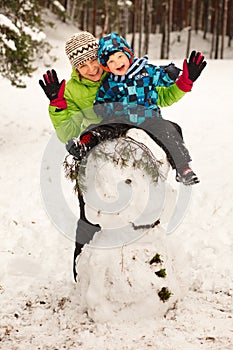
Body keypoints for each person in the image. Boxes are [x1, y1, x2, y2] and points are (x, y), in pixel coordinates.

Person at [92, 32, 206, 186]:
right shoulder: (110, 84)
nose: (117, 63)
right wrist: (106, 110)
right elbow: (100, 103)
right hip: (122, 121)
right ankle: (87, 142)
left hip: (149, 118)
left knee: (171, 129)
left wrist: (172, 73)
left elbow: (163, 77)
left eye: (119, 57)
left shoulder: (145, 70)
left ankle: (182, 167)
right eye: (111, 61)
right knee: (103, 127)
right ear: (106, 66)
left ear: (128, 54)